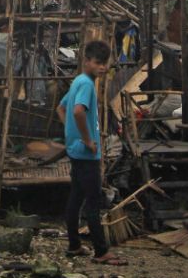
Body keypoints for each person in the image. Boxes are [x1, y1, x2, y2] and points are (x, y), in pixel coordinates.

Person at [56, 40, 128, 266]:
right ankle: (101, 252)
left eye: (105, 64)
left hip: (76, 151)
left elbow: (61, 108)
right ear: (86, 61)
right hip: (86, 154)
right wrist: (87, 139)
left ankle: (74, 245)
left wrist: (72, 135)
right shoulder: (86, 84)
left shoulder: (78, 81)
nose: (102, 68)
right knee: (93, 203)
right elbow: (77, 111)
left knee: (76, 198)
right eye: (98, 63)